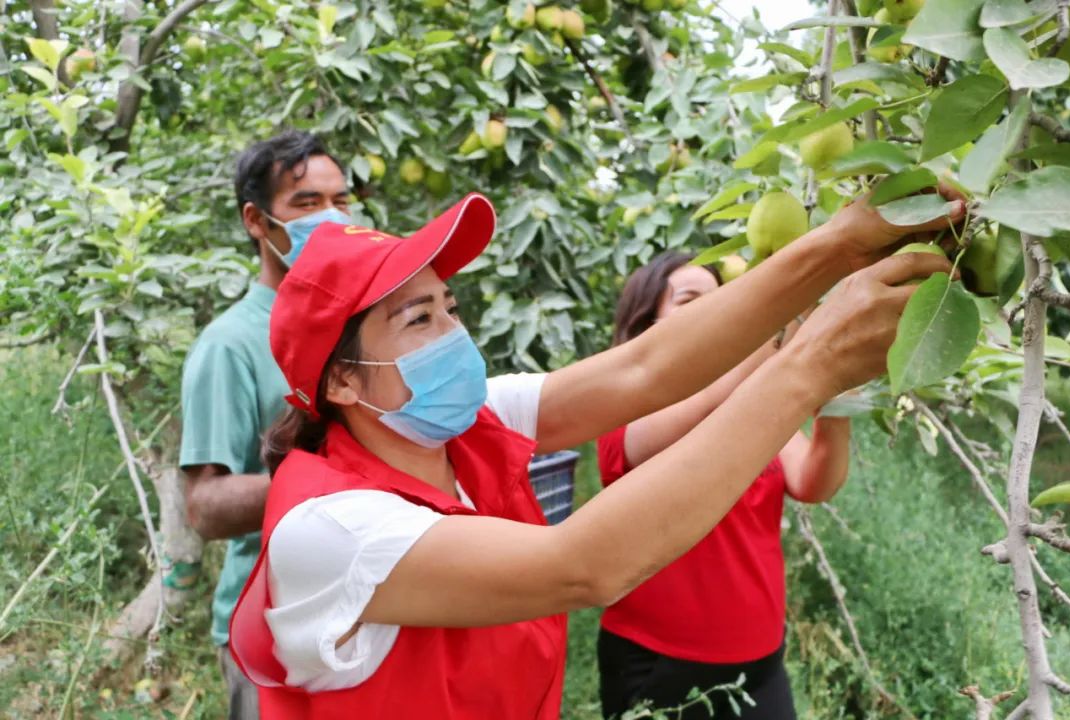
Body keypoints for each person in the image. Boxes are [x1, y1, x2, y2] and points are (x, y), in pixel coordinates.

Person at [228, 188, 965, 719]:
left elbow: (645, 370)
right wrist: (811, 365)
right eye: (418, 319)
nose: (454, 333)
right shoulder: (332, 527)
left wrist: (838, 242)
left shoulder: (460, 426)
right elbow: (584, 567)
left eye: (450, 306)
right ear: (344, 382)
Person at [595, 251, 851, 720]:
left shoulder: (756, 406)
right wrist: (794, 322)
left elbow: (813, 482)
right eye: (691, 301)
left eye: (726, 302)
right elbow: (673, 426)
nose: (718, 316)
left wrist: (836, 399)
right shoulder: (624, 411)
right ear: (647, 323)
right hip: (659, 662)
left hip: (760, 662)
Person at [179, 129, 352, 719]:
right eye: (307, 204)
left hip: (358, 617)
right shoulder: (228, 346)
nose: (331, 218)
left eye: (341, 201)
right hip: (269, 629)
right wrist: (339, 481)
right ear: (257, 221)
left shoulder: (358, 326)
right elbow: (204, 505)